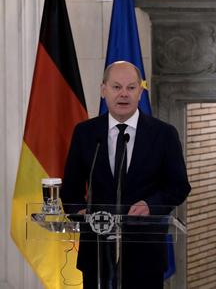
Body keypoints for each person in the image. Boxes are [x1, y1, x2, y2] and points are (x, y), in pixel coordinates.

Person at [61, 61, 191, 289]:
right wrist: (79, 212)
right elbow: (70, 189)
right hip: (97, 251)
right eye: (116, 87)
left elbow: (178, 187)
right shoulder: (85, 133)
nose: (124, 94)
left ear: (140, 92)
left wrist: (151, 205)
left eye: (131, 88)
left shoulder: (164, 134)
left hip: (145, 252)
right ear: (103, 90)